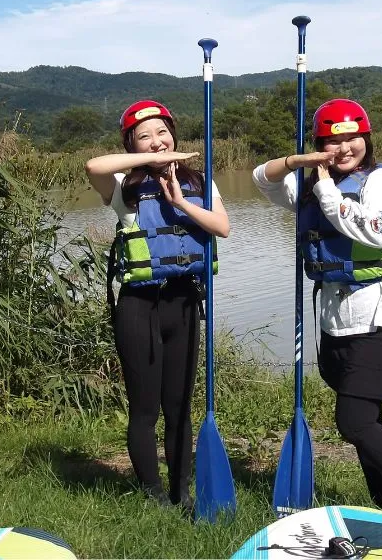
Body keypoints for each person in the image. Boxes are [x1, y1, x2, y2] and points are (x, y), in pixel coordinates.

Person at [252, 98, 382, 521]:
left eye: (352, 137)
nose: (344, 147)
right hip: (337, 322)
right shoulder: (311, 185)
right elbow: (262, 179)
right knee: (366, 418)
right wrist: (299, 162)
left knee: (353, 422)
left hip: (380, 318)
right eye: (332, 141)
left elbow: (379, 230)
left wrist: (328, 193)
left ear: (366, 139)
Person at [85, 100, 230, 513]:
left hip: (184, 302)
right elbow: (93, 165)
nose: (156, 140)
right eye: (144, 135)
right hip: (139, 307)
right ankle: (151, 493)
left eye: (162, 132)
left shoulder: (202, 182)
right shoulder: (123, 187)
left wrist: (182, 202)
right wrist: (150, 159)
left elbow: (222, 226)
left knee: (180, 406)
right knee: (145, 407)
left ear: (174, 133)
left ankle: (181, 491)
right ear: (131, 143)